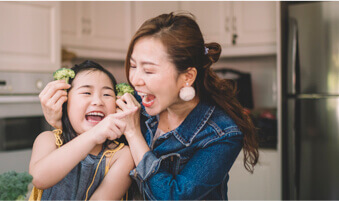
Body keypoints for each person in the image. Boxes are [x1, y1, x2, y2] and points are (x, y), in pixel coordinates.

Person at [40, 12, 259, 200]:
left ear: (187, 77)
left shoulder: (222, 134)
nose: (135, 79)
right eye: (133, 66)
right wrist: (61, 122)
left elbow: (173, 196)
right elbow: (94, 145)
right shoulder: (136, 103)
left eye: (149, 70)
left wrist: (134, 134)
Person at [29, 60, 135, 200]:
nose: (97, 101)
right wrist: (93, 135)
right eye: (86, 92)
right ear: (65, 102)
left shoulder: (122, 155)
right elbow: (39, 178)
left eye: (107, 95)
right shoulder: (48, 139)